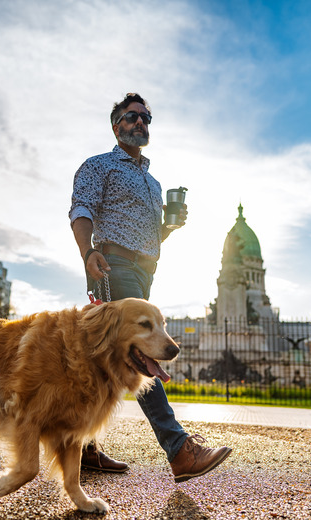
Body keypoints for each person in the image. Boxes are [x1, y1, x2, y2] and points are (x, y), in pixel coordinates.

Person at [69, 92, 232, 483]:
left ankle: (81, 448)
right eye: (132, 116)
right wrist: (87, 253)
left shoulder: (153, 182)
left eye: (146, 118)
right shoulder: (99, 166)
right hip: (112, 263)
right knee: (140, 352)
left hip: (144, 270)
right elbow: (81, 210)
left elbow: (149, 235)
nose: (140, 122)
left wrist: (168, 228)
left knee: (102, 360)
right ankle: (179, 449)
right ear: (116, 125)